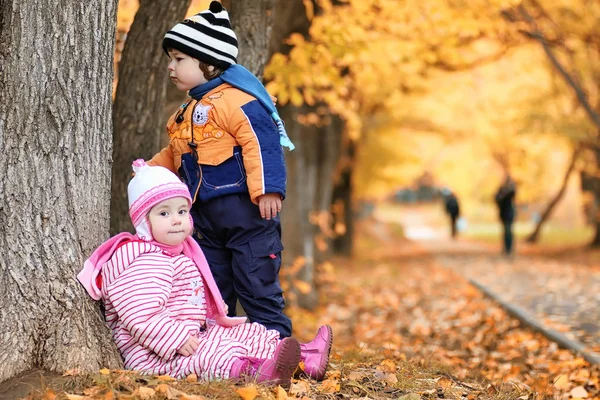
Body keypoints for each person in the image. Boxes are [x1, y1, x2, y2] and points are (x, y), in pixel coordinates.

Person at [77, 161, 333, 385]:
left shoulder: (178, 251)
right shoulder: (142, 260)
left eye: (182, 211)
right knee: (213, 356)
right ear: (145, 222)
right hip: (157, 351)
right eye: (164, 213)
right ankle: (254, 372)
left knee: (245, 333)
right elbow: (140, 313)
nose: (176, 219)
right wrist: (174, 338)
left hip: (190, 334)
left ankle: (304, 360)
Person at [148, 0, 294, 339]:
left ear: (209, 63)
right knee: (212, 289)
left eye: (179, 59)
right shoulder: (185, 113)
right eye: (171, 58)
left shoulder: (238, 101)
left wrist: (268, 188)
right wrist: (148, 172)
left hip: (249, 216)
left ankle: (277, 348)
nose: (171, 67)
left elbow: (263, 144)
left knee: (257, 283)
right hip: (206, 223)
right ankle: (223, 351)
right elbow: (175, 153)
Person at [495, 175, 517, 255]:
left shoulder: (510, 190)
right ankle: (506, 247)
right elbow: (496, 199)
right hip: (503, 213)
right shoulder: (501, 190)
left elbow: (512, 193)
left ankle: (509, 248)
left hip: (509, 213)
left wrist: (504, 193)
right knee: (505, 231)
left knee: (508, 230)